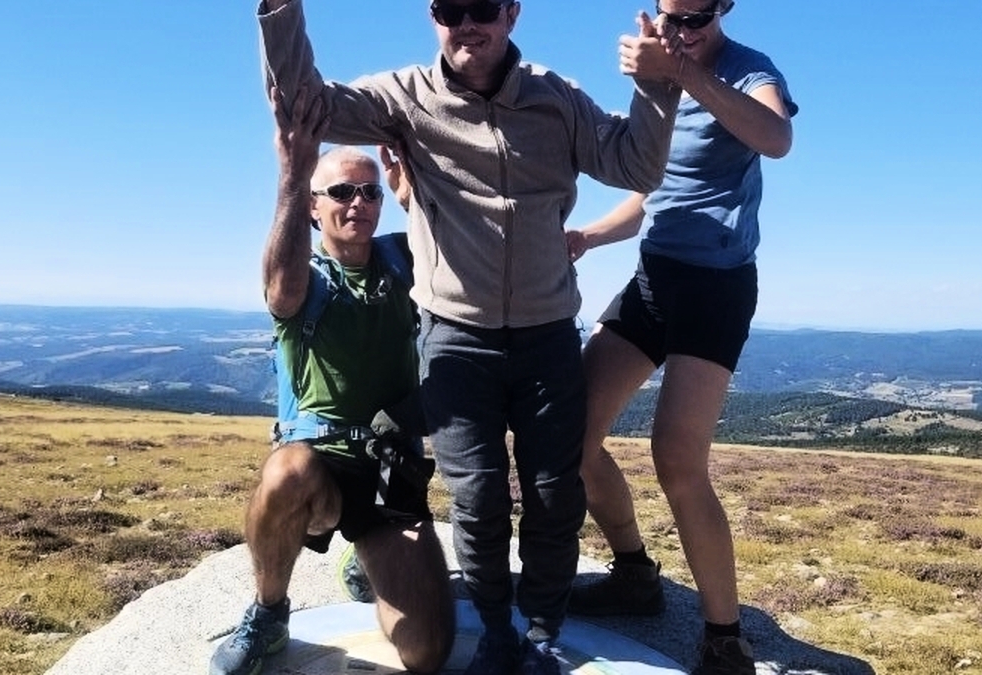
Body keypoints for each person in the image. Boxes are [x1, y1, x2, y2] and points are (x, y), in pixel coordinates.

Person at [255, 2, 681, 673]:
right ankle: (499, 633)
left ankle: (540, 634)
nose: (467, 23)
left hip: (546, 338)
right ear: (433, 15)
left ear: (512, 13)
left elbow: (635, 166)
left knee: (552, 492)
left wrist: (658, 85)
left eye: (483, 6)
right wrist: (280, 13)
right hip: (457, 341)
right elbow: (303, 102)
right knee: (478, 499)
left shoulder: (555, 100)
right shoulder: (405, 99)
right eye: (452, 9)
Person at [563, 2, 798, 674]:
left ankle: (725, 639)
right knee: (570, 430)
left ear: (723, 8)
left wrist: (683, 71)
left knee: (676, 456)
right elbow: (653, 191)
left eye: (694, 17)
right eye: (669, 17)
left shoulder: (748, 70)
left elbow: (775, 137)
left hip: (717, 283)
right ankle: (635, 573)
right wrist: (588, 235)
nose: (680, 30)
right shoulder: (664, 76)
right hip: (655, 276)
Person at [209, 86, 455, 675]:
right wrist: (294, 171)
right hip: (317, 468)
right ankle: (269, 614)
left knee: (426, 652)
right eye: (340, 192)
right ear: (315, 207)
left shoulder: (402, 260)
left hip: (389, 471)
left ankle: (365, 560)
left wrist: (415, 198)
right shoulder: (306, 277)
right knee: (286, 471)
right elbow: (279, 290)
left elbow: (459, 255)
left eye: (369, 192)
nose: (358, 203)